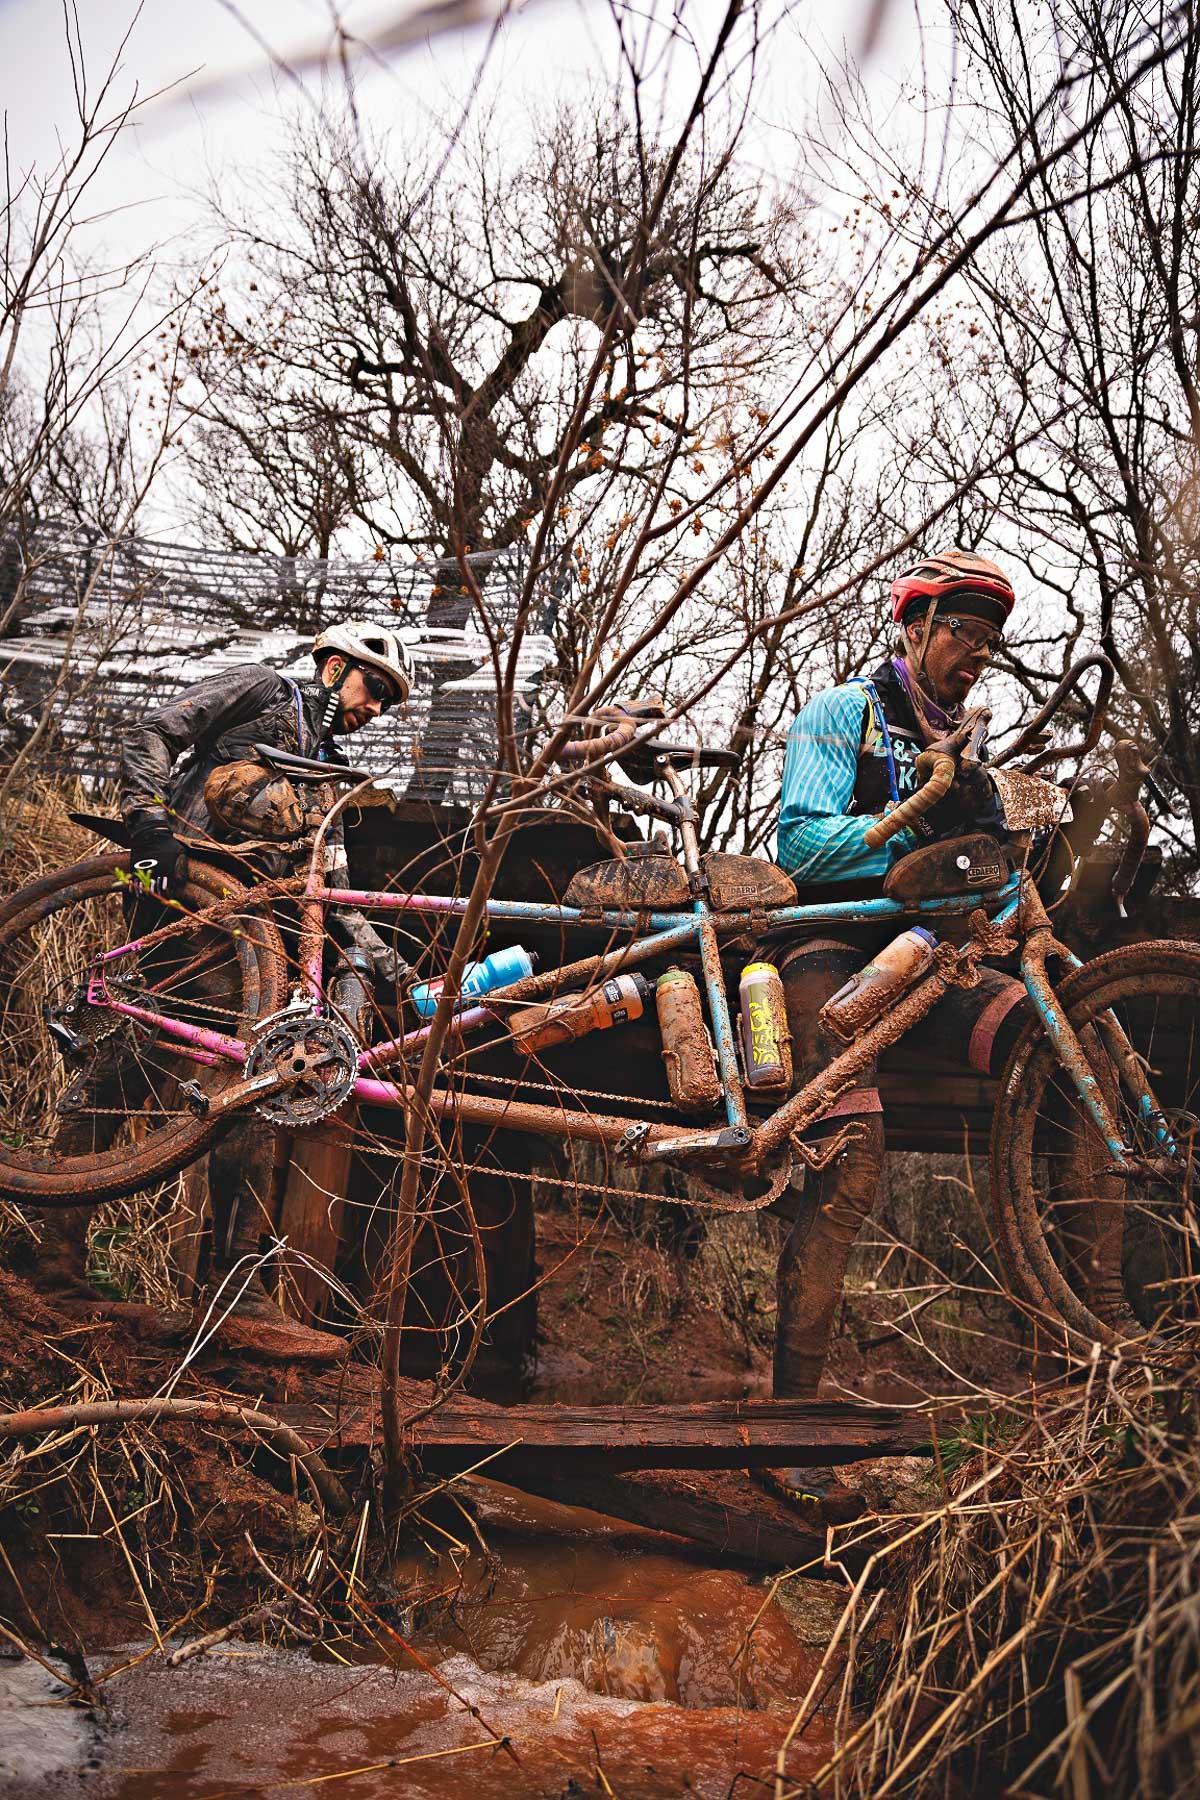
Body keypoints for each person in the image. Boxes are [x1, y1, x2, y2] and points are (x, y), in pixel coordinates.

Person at [767, 550, 1126, 1513]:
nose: (976, 652)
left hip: (937, 958)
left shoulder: (968, 746)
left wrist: (994, 855)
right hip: (828, 951)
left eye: (990, 638)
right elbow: (797, 842)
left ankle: (1088, 1377)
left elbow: (983, 877)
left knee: (1069, 1067)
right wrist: (911, 828)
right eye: (961, 629)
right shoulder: (840, 711)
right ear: (916, 625)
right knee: (853, 1161)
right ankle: (788, 1434)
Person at [39, 621, 415, 1321]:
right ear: (333, 668)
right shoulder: (263, 691)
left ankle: (225, 1282)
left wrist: (403, 972)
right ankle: (57, 1249)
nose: (377, 709)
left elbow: (333, 886)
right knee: (201, 1071)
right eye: (374, 688)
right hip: (181, 892)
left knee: (239, 1077)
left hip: (246, 939)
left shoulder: (326, 770)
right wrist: (149, 822)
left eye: (390, 703)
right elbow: (155, 731)